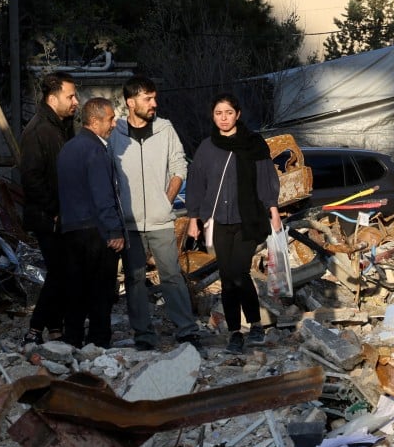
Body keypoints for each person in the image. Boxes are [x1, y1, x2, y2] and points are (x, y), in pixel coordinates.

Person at [108, 76, 201, 351]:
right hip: (130, 222)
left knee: (171, 274)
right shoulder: (116, 134)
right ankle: (144, 336)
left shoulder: (165, 129)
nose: (154, 104)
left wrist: (166, 199)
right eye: (148, 99)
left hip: (160, 220)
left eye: (154, 98)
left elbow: (179, 165)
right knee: (135, 280)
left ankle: (186, 330)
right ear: (130, 102)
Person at [185, 94, 281, 355]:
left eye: (228, 112)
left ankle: (255, 323)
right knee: (229, 279)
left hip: (248, 219)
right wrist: (193, 218)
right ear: (213, 116)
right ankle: (235, 333)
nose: (224, 118)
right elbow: (196, 183)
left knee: (238, 272)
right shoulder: (207, 147)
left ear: (238, 114)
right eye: (218, 113)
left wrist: (273, 210)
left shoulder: (254, 144)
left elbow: (266, 178)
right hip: (217, 221)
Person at [56, 98, 124, 349]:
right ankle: (98, 340)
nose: (114, 124)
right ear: (94, 121)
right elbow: (102, 194)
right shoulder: (96, 150)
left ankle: (72, 337)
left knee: (75, 288)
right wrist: (115, 230)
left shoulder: (68, 149)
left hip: (71, 229)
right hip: (95, 230)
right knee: (100, 289)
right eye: (110, 119)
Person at [18, 72, 77, 345]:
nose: (76, 101)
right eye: (70, 96)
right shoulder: (38, 130)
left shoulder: (61, 126)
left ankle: (55, 327)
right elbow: (31, 177)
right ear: (53, 99)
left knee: (61, 271)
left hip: (61, 214)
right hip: (48, 216)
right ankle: (35, 328)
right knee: (60, 271)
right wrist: (54, 209)